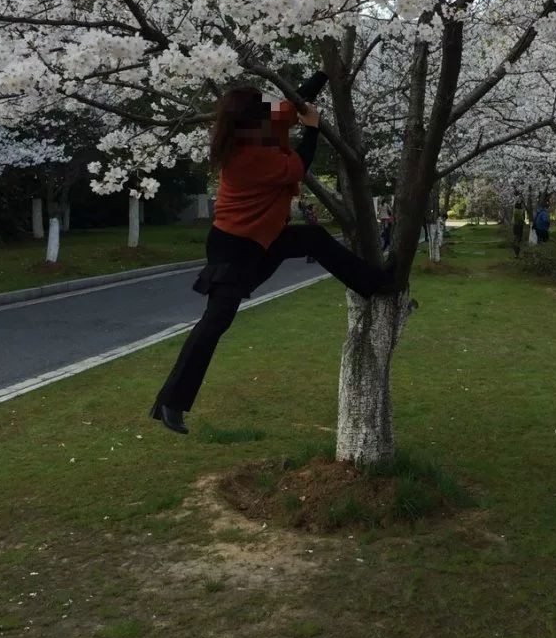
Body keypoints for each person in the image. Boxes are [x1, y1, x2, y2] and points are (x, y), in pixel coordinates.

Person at [149, 72, 396, 435]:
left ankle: (375, 284)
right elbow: (297, 166)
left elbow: (292, 104)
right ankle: (171, 402)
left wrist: (325, 72)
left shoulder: (256, 132)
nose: (270, 112)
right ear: (251, 119)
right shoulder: (245, 154)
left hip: (262, 238)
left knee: (312, 238)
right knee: (216, 322)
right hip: (234, 248)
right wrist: (313, 128)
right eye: (263, 109)